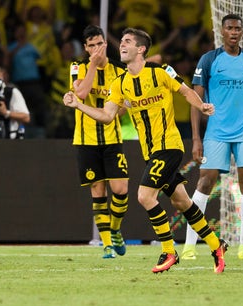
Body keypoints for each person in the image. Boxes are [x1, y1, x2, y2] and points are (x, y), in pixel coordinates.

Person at [63, 27, 227, 274]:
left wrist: (201, 105)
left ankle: (169, 251)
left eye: (128, 41)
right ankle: (216, 245)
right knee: (182, 201)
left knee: (144, 196)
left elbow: (184, 90)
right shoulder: (120, 83)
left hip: (169, 146)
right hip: (150, 151)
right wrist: (78, 105)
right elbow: (107, 116)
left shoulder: (160, 72)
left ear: (141, 49)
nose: (122, 45)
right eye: (122, 42)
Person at [181, 13, 243, 261]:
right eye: (230, 28)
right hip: (216, 133)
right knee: (205, 182)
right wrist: (196, 138)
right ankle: (189, 246)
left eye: (238, 28)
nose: (234, 32)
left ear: (242, 32)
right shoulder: (209, 60)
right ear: (223, 30)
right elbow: (195, 100)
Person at [68, 25, 130, 259]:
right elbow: (81, 93)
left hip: (112, 138)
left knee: (121, 189)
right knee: (98, 192)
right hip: (86, 140)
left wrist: (119, 109)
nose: (96, 49)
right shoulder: (77, 68)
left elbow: (123, 107)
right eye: (91, 45)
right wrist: (93, 64)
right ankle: (106, 245)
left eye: (99, 44)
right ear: (85, 48)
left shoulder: (119, 70)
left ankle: (115, 229)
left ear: (106, 44)